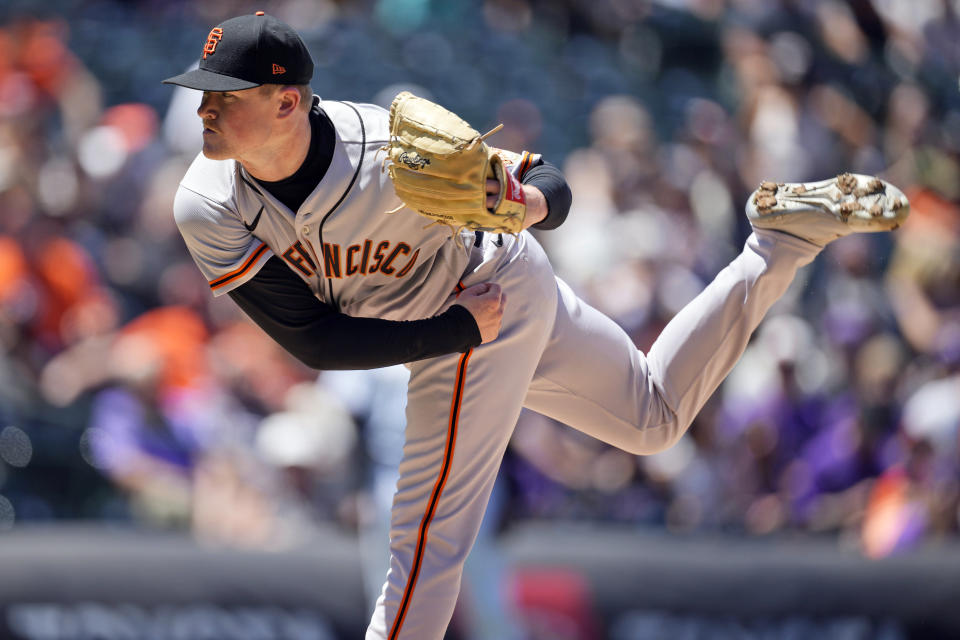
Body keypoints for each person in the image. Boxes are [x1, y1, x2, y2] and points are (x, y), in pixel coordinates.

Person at [162, 12, 909, 640]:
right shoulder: (208, 201)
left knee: (427, 536)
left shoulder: (388, 152)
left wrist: (526, 207)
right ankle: (780, 242)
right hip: (454, 321)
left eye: (224, 97)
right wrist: (452, 329)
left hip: (488, 284)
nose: (204, 111)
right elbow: (315, 341)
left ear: (287, 102)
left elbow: (552, 181)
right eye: (204, 96)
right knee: (651, 417)